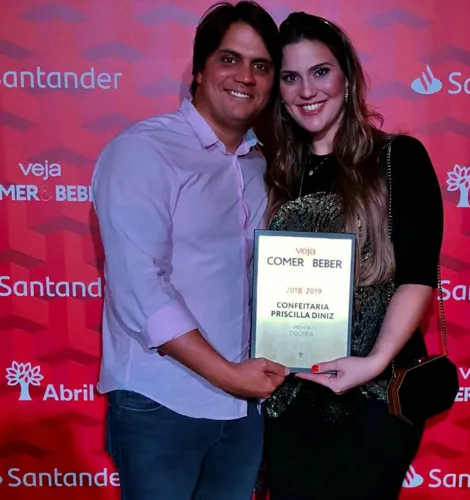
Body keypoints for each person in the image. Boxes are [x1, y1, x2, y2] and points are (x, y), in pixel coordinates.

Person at [91, 2, 288, 499]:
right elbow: (140, 286)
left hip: (244, 409)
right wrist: (230, 376)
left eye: (261, 65)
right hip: (162, 402)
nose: (245, 76)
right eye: (230, 59)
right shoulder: (143, 151)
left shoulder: (261, 166)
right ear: (199, 71)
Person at [261, 12, 444, 500]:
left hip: (373, 394)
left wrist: (375, 361)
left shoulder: (397, 158)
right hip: (290, 395)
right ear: (277, 89)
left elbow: (418, 275)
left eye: (320, 71)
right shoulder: (275, 174)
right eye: (290, 77)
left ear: (346, 74)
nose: (307, 90)